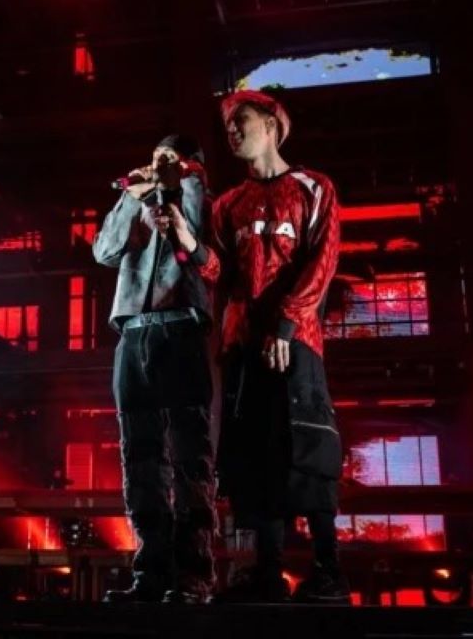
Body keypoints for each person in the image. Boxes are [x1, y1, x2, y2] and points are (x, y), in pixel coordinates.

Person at [212, 89, 348, 603]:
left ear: (271, 123)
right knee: (254, 458)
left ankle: (329, 571)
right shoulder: (226, 206)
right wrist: (184, 242)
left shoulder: (314, 188)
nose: (231, 131)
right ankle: (267, 573)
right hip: (246, 348)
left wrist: (287, 327)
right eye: (226, 125)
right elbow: (219, 273)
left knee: (309, 450)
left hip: (298, 346)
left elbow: (323, 261)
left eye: (239, 120)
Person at [92, 135, 217, 605]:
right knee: (139, 457)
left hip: (182, 329)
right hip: (133, 333)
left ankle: (194, 576)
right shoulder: (135, 197)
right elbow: (104, 252)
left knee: (189, 457)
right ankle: (151, 571)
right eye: (155, 156)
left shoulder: (201, 198)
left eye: (171, 159)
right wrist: (131, 196)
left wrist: (183, 183)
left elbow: (206, 251)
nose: (159, 164)